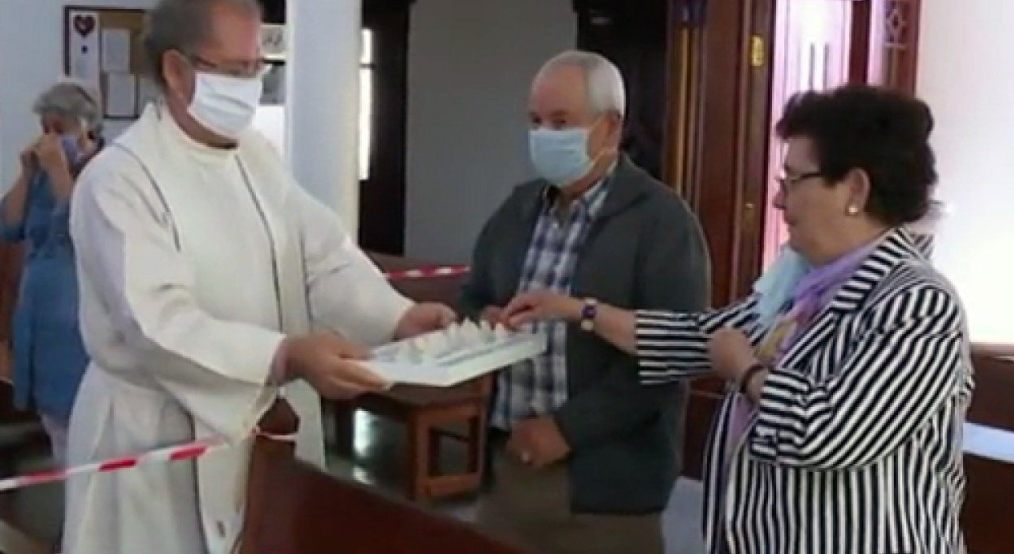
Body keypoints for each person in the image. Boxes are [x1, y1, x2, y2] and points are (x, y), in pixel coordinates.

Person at [502, 85, 972, 554]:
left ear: (855, 190)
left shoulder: (918, 303)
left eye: (793, 181)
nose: (778, 201)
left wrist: (746, 371)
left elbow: (829, 433)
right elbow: (698, 337)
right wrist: (578, 310)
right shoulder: (802, 284)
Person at [63, 1, 455, 552]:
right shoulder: (121, 179)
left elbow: (321, 254)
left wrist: (398, 317)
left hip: (259, 429)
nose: (250, 84)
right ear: (175, 70)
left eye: (257, 67)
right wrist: (283, 357)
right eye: (235, 69)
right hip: (155, 441)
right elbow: (155, 324)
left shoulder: (256, 156)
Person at [461, 50, 710, 554]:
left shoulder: (661, 222)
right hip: (509, 471)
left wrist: (567, 429)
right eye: (535, 122)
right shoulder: (518, 209)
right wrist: (482, 319)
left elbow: (676, 352)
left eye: (561, 123)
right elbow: (473, 297)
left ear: (610, 127)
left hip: (607, 490)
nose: (544, 136)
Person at [0, 80, 104, 467]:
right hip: (38, 318)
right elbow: (9, 227)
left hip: (76, 322)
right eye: (45, 129)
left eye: (59, 129)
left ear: (85, 127)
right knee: (54, 428)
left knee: (80, 425)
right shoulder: (42, 175)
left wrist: (61, 171)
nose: (49, 138)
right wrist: (27, 174)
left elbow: (85, 229)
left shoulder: (105, 171)